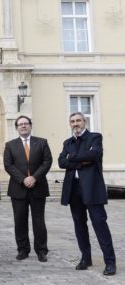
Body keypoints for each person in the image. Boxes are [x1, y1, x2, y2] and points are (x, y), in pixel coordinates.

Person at [58, 112, 116, 275]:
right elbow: (61, 162)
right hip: (74, 188)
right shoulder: (67, 142)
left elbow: (94, 154)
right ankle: (86, 258)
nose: (75, 124)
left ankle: (110, 262)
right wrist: (81, 160)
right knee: (79, 225)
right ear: (70, 124)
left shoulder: (95, 137)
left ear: (84, 122)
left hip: (92, 188)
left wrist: (72, 158)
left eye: (78, 120)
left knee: (100, 224)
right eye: (72, 121)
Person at [3, 115, 52, 262]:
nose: (23, 126)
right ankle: (23, 250)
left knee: (39, 221)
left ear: (30, 126)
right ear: (17, 128)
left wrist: (34, 177)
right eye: (20, 124)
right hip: (18, 188)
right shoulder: (10, 145)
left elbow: (47, 161)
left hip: (38, 187)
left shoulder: (42, 142)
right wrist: (23, 179)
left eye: (26, 123)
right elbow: (8, 165)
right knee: (20, 221)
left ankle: (41, 250)